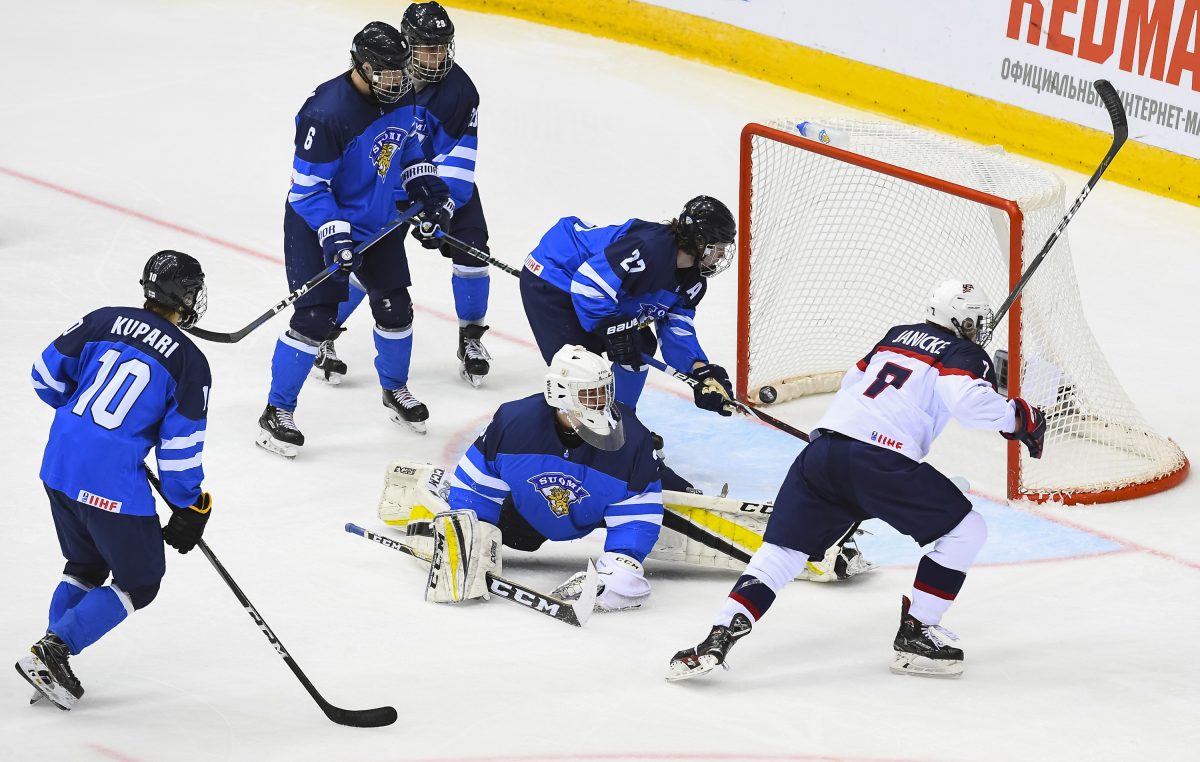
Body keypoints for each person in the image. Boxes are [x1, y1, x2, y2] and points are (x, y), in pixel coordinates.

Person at [666, 280, 1047, 681]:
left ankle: (717, 637)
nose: (978, 328)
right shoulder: (964, 352)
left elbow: (853, 383)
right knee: (967, 531)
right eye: (974, 320)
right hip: (880, 463)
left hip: (823, 454)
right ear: (960, 319)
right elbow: (969, 404)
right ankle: (916, 634)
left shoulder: (896, 336)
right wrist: (1019, 417)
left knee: (780, 554)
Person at [17, 251, 215, 711]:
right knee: (141, 580)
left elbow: (44, 377)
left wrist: (87, 427)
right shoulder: (189, 362)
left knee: (85, 567)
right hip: (110, 484)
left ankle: (47, 664)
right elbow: (180, 451)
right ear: (184, 296)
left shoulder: (102, 320)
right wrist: (190, 504)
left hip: (59, 464)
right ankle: (54, 651)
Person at [257, 20, 456, 458]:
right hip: (317, 225)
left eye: (400, 72)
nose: (397, 80)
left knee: (395, 306)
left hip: (379, 221)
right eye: (386, 73)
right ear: (362, 68)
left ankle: (395, 389)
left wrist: (429, 191)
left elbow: (408, 152)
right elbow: (308, 190)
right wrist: (335, 234)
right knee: (314, 319)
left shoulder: (401, 92)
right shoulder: (326, 113)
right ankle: (276, 412)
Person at [384, 345, 664, 612]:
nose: (601, 401)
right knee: (511, 537)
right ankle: (433, 504)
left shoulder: (633, 439)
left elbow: (637, 510)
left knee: (634, 543)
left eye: (605, 392)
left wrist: (620, 565)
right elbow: (477, 485)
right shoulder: (514, 423)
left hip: (597, 512)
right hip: (524, 513)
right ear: (561, 393)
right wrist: (471, 535)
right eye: (591, 394)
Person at [313, 2, 494, 388]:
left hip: (435, 185)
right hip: (382, 186)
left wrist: (440, 207)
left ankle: (471, 338)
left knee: (473, 247)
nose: (437, 58)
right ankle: (323, 330)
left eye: (443, 48)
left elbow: (459, 165)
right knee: (365, 259)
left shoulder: (460, 93)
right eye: (428, 48)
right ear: (407, 45)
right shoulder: (379, 81)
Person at [519, 196, 738, 416]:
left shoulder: (694, 282)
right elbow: (589, 285)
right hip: (554, 277)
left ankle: (621, 418)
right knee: (583, 370)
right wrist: (615, 329)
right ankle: (581, 430)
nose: (721, 256)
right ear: (700, 242)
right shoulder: (649, 248)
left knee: (639, 346)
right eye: (718, 248)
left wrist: (699, 371)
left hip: (599, 293)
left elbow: (676, 328)